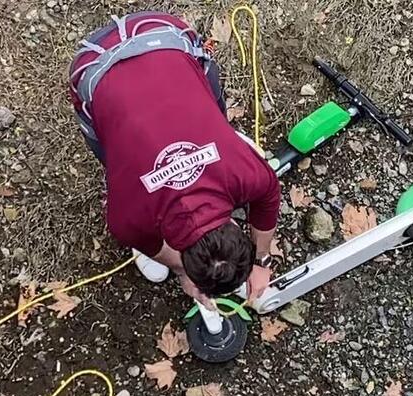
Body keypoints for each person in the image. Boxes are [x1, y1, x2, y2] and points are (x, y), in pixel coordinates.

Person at [68, 12, 280, 308]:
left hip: (159, 34)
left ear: (234, 225)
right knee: (113, 155)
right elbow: (267, 201)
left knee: (128, 150)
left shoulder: (247, 174)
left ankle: (217, 135)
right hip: (104, 59)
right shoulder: (127, 221)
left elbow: (268, 197)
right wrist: (184, 273)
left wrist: (260, 260)